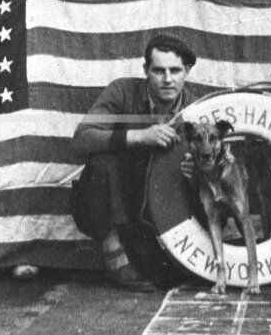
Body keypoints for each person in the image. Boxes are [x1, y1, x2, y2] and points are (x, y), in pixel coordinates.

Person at [72, 33, 198, 290]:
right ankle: (115, 257)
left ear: (186, 71)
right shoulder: (122, 91)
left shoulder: (197, 108)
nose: (167, 79)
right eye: (158, 71)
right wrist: (140, 136)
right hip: (124, 203)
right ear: (146, 70)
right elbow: (81, 139)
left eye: (175, 71)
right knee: (101, 162)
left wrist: (197, 170)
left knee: (167, 275)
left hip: (167, 207)